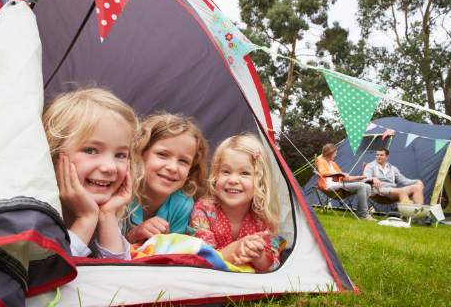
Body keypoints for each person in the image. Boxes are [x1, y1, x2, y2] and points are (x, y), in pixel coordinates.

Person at [43, 87, 140, 259]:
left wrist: (107, 215)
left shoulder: (106, 212)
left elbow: (118, 279)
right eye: (90, 150)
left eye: (120, 155)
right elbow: (49, 275)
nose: (110, 167)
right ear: (53, 153)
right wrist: (85, 219)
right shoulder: (35, 217)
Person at [187, 133, 281, 272]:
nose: (233, 180)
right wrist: (237, 248)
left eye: (244, 173)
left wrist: (258, 256)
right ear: (215, 175)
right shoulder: (204, 210)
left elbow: (272, 265)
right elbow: (202, 260)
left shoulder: (264, 217)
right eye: (226, 171)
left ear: (260, 182)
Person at [123, 114, 209, 243]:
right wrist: (132, 236)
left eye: (183, 161)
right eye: (162, 154)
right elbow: (102, 250)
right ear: (140, 154)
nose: (173, 168)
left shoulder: (183, 204)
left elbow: (171, 254)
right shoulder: (121, 192)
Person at [316, 143, 376, 221]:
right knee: (361, 186)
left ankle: (360, 213)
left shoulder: (333, 164)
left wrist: (360, 177)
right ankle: (365, 214)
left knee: (367, 186)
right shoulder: (321, 161)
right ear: (329, 153)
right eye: (335, 153)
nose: (336, 155)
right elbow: (323, 173)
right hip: (330, 188)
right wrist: (339, 173)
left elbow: (344, 178)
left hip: (338, 186)